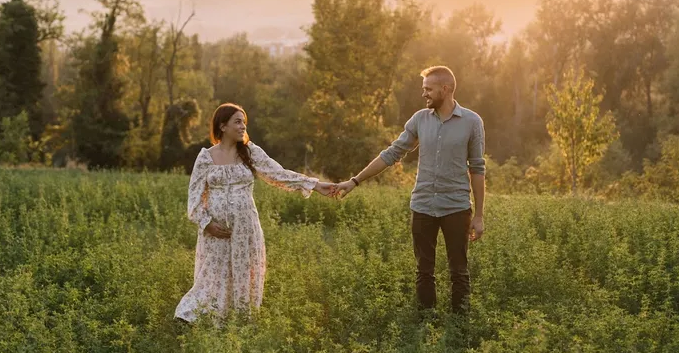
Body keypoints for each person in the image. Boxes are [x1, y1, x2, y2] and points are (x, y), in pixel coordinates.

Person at [332, 66, 485, 315]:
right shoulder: (419, 120)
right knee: (424, 271)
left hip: (457, 207)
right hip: (423, 206)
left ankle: (459, 332)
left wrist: (478, 216)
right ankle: (426, 326)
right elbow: (392, 153)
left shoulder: (471, 122)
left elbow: (477, 168)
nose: (423, 94)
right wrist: (355, 181)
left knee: (459, 272)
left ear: (445, 90)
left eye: (428, 89)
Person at [175, 103, 334, 322]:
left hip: (245, 229)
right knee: (211, 278)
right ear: (222, 126)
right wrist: (207, 223)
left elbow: (278, 174)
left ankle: (239, 324)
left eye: (244, 123)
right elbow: (193, 199)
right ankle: (191, 319)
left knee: (242, 276)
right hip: (215, 233)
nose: (243, 127)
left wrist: (315, 185)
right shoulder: (205, 158)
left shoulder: (250, 152)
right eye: (237, 122)